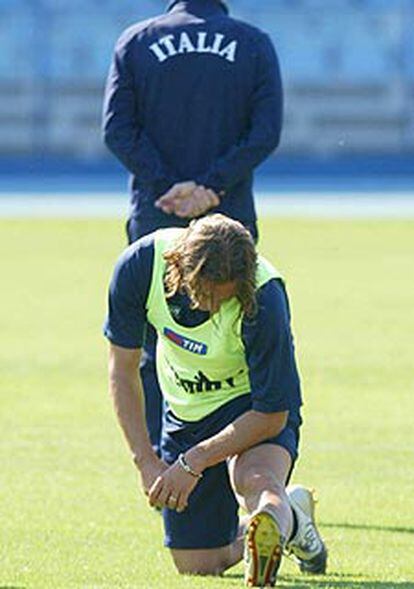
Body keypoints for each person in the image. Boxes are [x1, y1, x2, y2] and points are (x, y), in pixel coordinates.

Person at [102, 0, 284, 458]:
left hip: (157, 212)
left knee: (151, 346)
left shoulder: (137, 40)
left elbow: (117, 130)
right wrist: (211, 187)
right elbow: (264, 132)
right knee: (240, 339)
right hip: (229, 217)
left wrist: (169, 186)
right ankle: (235, 461)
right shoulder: (253, 43)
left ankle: (164, 461)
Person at [104, 214, 327, 586]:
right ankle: (292, 520)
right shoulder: (140, 266)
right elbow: (121, 371)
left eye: (227, 297)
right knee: (197, 563)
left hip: (251, 407)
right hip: (187, 413)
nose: (214, 307)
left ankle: (273, 513)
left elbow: (272, 414)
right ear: (179, 268)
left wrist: (193, 462)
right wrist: (146, 461)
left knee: (254, 479)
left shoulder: (265, 295)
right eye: (206, 295)